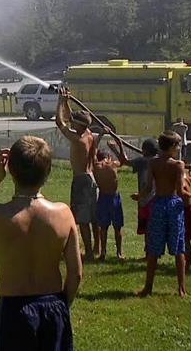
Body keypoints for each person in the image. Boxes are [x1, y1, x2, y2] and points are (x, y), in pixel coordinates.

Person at [0, 136, 82, 351]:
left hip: (12, 309)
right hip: (53, 305)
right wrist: (62, 305)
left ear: (11, 169)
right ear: (47, 171)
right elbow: (75, 274)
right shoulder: (64, 214)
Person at [137, 131, 188, 298]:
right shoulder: (178, 165)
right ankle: (181, 289)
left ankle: (148, 287)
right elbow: (180, 191)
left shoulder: (153, 163)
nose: (179, 148)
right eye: (178, 145)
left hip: (158, 205)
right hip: (173, 205)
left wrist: (139, 196)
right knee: (179, 248)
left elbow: (148, 187)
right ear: (172, 147)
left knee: (153, 249)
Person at [56, 88, 99, 261]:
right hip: (91, 179)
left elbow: (60, 122)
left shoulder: (77, 138)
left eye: (74, 122)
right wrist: (67, 102)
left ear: (80, 125)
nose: (71, 122)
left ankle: (88, 252)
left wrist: (59, 102)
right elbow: (70, 117)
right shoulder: (88, 134)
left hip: (81, 180)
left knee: (83, 219)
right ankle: (97, 249)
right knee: (94, 217)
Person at [108, 138, 158, 254]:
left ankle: (149, 253)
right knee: (153, 226)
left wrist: (117, 147)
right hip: (157, 199)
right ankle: (151, 252)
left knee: (146, 227)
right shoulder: (159, 160)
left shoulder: (143, 161)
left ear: (144, 150)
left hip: (145, 198)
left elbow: (124, 161)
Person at [92, 145, 124, 261]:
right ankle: (119, 253)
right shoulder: (112, 165)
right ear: (109, 157)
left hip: (103, 197)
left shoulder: (96, 167)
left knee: (103, 227)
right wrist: (117, 146)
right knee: (117, 227)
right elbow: (123, 159)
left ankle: (103, 252)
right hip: (114, 197)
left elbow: (92, 154)